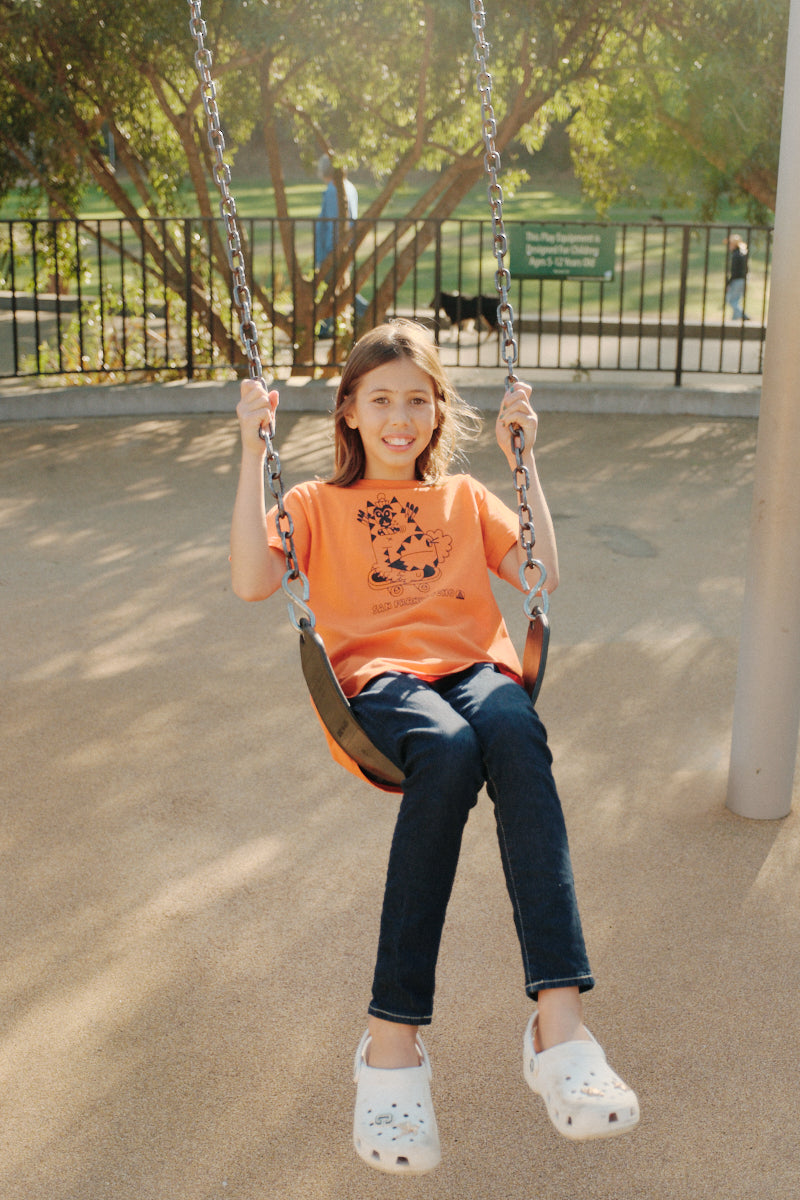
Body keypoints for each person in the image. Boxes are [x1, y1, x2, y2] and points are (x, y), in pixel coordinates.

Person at [230, 320, 640, 1175]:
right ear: (348, 412)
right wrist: (250, 444)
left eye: (418, 399)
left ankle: (558, 1029)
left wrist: (522, 460)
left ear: (436, 409)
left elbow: (539, 575)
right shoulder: (310, 502)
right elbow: (252, 580)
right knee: (449, 750)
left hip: (475, 666)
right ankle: (392, 1042)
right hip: (380, 682)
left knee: (514, 728)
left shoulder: (460, 498)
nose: (400, 417)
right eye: (380, 399)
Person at [314, 153, 368, 337]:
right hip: (344, 246)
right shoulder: (349, 187)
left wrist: (328, 253)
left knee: (336, 287)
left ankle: (367, 312)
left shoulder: (333, 190)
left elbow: (332, 224)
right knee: (337, 287)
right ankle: (327, 326)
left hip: (333, 248)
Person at [725, 234, 749, 321]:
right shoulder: (742, 253)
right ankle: (734, 319)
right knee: (735, 299)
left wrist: (729, 283)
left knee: (732, 300)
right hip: (743, 279)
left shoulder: (736, 255)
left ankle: (743, 315)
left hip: (737, 280)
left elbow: (734, 271)